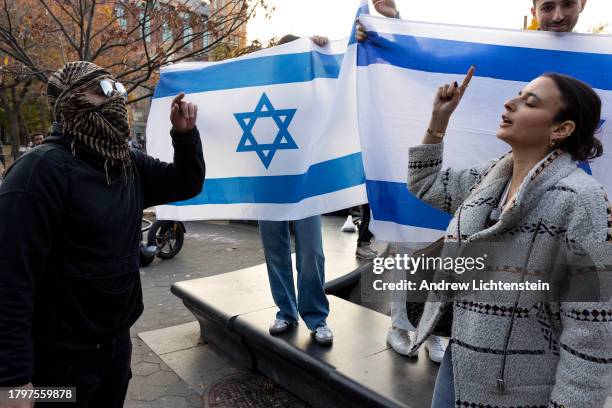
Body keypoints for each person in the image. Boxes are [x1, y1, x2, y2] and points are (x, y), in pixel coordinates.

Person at [0, 61, 205, 408]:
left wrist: (184, 134)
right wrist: (12, 382)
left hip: (115, 349)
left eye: (120, 91)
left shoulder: (127, 163)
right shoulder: (39, 172)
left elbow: (187, 183)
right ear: (72, 100)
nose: (118, 100)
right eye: (105, 91)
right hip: (57, 367)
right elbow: (10, 280)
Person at [408, 64, 612, 407]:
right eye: (517, 96)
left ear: (561, 128)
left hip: (520, 389)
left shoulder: (584, 203)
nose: (510, 104)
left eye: (530, 102)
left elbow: (593, 333)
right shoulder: (492, 175)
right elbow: (425, 184)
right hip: (459, 364)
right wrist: (438, 122)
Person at [260, 34, 333, 346]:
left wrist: (324, 50)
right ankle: (285, 312)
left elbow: (337, 87)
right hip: (268, 182)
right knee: (275, 251)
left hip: (306, 183)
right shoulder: (262, 90)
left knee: (311, 252)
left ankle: (316, 317)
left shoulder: (313, 90)